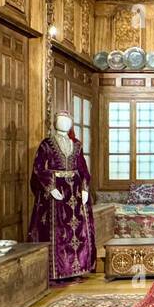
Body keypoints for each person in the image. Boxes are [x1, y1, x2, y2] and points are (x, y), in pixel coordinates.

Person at [27, 109, 95, 281]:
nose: (64, 122)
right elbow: (39, 168)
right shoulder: (47, 144)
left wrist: (85, 189)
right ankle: (57, 272)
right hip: (56, 193)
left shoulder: (77, 145)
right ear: (55, 122)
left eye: (67, 120)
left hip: (75, 193)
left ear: (71, 124)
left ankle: (78, 268)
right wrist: (50, 187)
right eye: (60, 119)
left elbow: (83, 169)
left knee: (77, 232)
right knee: (58, 230)